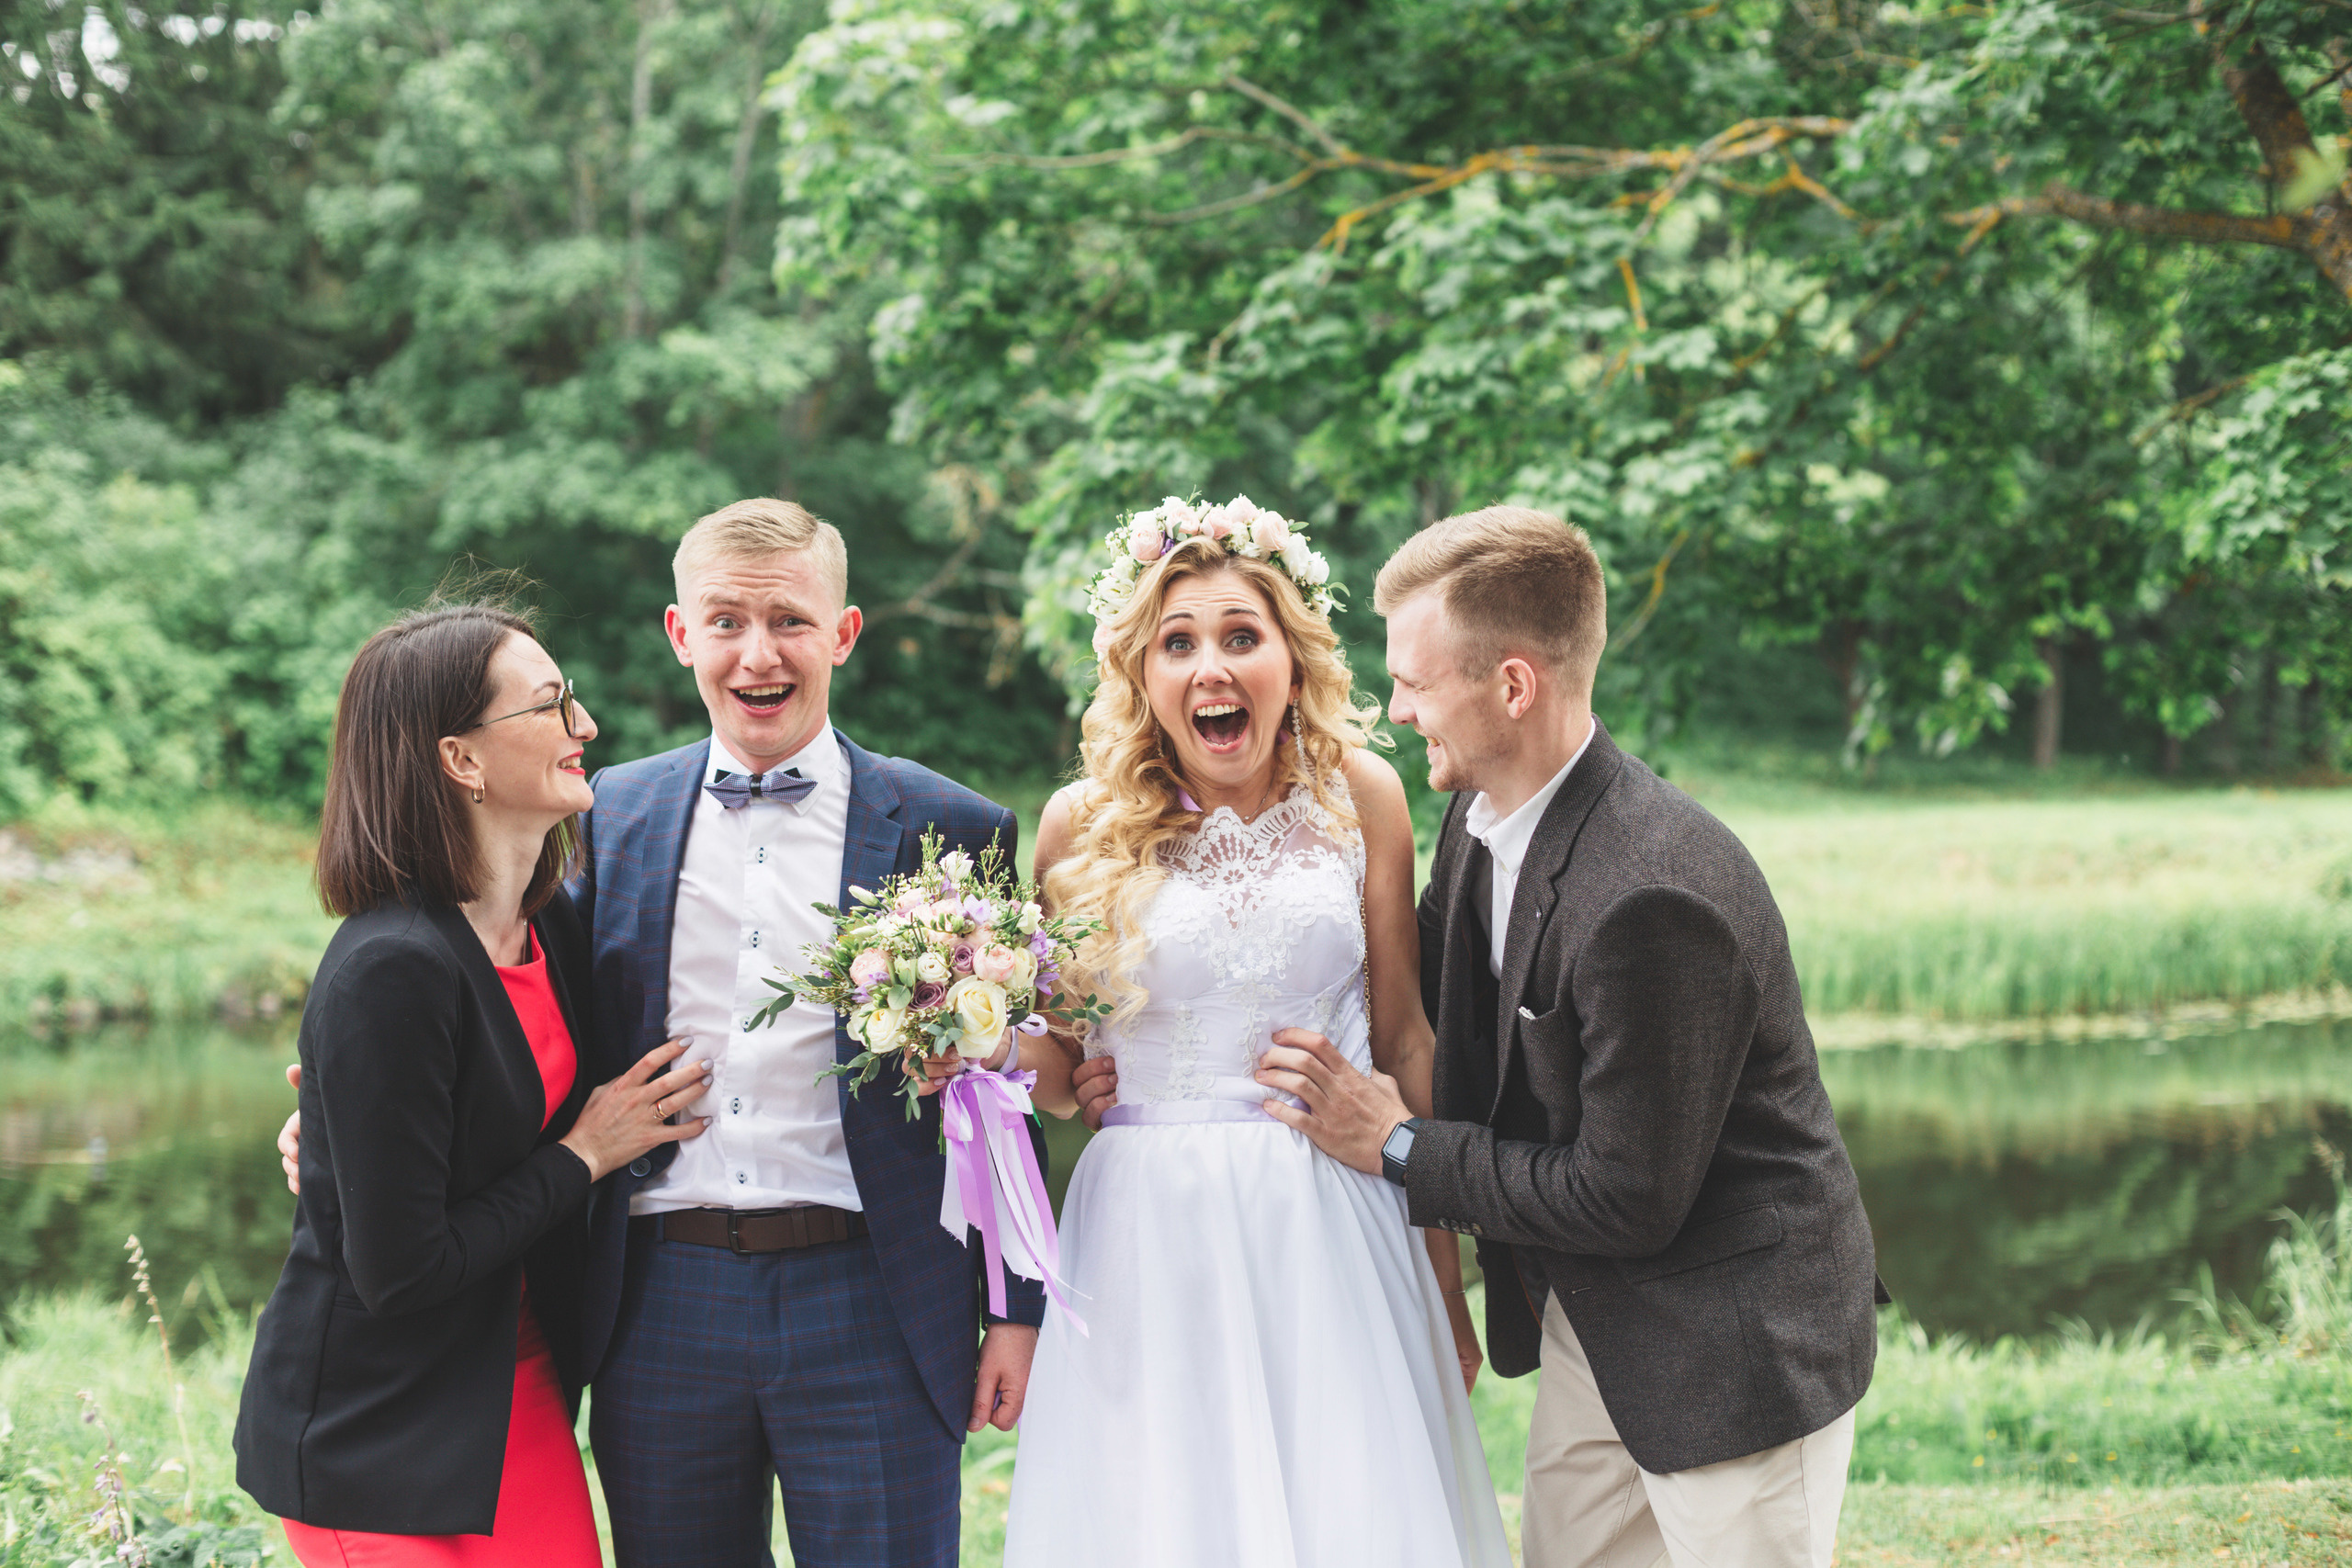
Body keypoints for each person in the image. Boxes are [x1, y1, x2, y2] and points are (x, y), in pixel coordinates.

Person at [280, 500, 1043, 1568]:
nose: (758, 653)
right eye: (725, 621)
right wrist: (340, 1124)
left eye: (789, 620)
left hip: (872, 1292)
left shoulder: (951, 828)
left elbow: (996, 1095)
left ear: (844, 633)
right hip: (655, 1300)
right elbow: (491, 1001)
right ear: (681, 635)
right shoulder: (601, 816)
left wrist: (1016, 1304)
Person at [1245, 506, 1887, 1568]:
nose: (1394, 710)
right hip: (1592, 1317)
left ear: (1511, 686)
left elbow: (1623, 1197)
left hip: (1730, 1341)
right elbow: (1422, 1019)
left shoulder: (1653, 895)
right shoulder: (1479, 812)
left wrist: (1396, 1147)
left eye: (1413, 681)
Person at [1004, 499, 1512, 1568]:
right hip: (1146, 1227)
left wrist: (1444, 1280)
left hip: (1331, 1216)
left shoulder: (1362, 796)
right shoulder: (1076, 825)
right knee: (1162, 1514)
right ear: (1142, 673)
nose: (1211, 669)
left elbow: (1405, 1042)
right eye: (1177, 643)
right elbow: (1053, 1073)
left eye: (1242, 636)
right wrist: (977, 1043)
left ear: (1292, 656)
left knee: (1347, 1508)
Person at [236, 604, 712, 1564]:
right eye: (550, 706)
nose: (585, 727)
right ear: (461, 761)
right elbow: (399, 1272)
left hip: (517, 1389)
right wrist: (585, 1154)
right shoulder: (392, 968)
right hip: (377, 1429)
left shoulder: (558, 934)